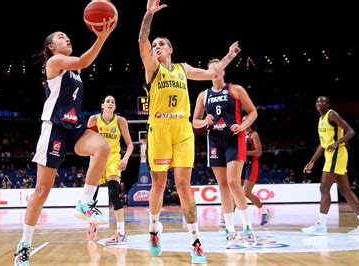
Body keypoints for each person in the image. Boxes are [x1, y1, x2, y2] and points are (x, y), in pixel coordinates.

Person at [138, 0, 239, 262]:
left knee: (184, 185)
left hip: (182, 129)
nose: (157, 46)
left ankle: (195, 241)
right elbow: (142, 40)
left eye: (162, 44)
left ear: (170, 49)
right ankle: (153, 229)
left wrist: (227, 57)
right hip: (159, 129)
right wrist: (148, 15)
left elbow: (211, 74)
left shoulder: (183, 69)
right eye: (155, 44)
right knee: (159, 184)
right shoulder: (153, 68)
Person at [14, 18, 117, 266]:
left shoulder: (74, 71)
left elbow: (81, 64)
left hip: (74, 127)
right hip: (54, 129)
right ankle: (24, 244)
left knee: (102, 147)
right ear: (51, 47)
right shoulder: (54, 62)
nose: (66, 38)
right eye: (60, 36)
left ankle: (86, 201)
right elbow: (83, 59)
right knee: (42, 191)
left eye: (66, 35)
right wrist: (101, 37)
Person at [192, 59, 258, 249]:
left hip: (234, 138)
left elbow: (252, 112)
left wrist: (243, 126)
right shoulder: (203, 95)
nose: (214, 70)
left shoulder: (235, 89)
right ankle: (230, 231)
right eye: (210, 68)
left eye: (217, 68)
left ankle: (248, 228)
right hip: (214, 140)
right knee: (222, 186)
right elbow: (194, 122)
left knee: (232, 182)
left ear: (223, 72)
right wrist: (205, 121)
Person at [302, 96, 359, 235]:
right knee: (345, 190)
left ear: (328, 104)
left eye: (322, 101)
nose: (319, 103)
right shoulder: (320, 120)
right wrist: (312, 161)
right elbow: (323, 145)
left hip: (338, 153)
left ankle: (321, 225)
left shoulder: (332, 114)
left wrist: (336, 143)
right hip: (331, 155)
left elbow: (351, 131)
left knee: (324, 188)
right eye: (317, 101)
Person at [86, 95, 134, 245]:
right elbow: (87, 141)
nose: (110, 103)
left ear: (115, 107)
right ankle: (93, 223)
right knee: (90, 197)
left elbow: (130, 144)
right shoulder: (94, 120)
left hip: (113, 157)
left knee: (113, 193)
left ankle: (121, 232)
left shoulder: (120, 121)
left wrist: (125, 158)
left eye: (113, 101)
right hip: (97, 157)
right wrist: (91, 156)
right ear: (102, 105)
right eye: (107, 101)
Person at [241, 116, 271, 226]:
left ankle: (265, 212)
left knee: (246, 193)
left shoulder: (254, 135)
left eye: (245, 121)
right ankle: (227, 218)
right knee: (236, 192)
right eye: (242, 121)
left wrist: (243, 152)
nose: (243, 122)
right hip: (242, 165)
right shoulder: (240, 134)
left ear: (250, 122)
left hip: (251, 164)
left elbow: (258, 152)